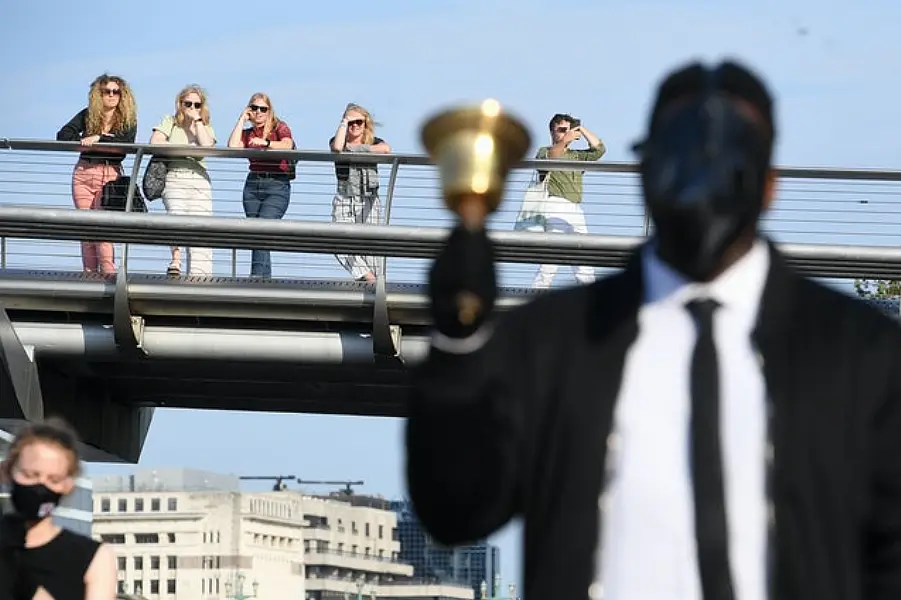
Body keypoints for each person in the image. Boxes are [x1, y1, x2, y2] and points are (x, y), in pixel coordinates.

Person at [405, 60, 901, 600]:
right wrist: (458, 344)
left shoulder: (861, 353)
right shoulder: (550, 341)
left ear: (768, 184)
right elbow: (455, 508)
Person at [0, 418, 116, 600]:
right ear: (7, 471)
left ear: (67, 485)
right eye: (30, 475)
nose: (40, 486)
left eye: (53, 480)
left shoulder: (92, 558)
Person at [56, 74, 138, 276]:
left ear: (122, 95)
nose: (111, 95)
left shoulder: (127, 119)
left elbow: (125, 144)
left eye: (115, 92)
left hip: (109, 175)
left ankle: (108, 275)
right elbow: (64, 134)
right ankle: (89, 276)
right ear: (98, 94)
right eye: (106, 91)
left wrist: (99, 138)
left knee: (102, 229)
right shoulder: (87, 115)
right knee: (86, 230)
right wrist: (84, 139)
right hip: (83, 173)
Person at [526, 113, 605, 289]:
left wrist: (581, 128)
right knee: (552, 256)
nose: (565, 133)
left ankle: (590, 296)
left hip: (576, 208)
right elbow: (548, 159)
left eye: (567, 130)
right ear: (552, 132)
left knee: (582, 255)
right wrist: (564, 140)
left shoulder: (576, 156)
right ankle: (538, 291)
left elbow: (599, 149)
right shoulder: (545, 150)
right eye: (561, 130)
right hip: (554, 205)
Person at [149, 85, 217, 278]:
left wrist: (197, 122)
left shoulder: (204, 125)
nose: (192, 107)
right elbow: (155, 142)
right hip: (175, 176)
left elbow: (206, 146)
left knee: (201, 228)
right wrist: (186, 148)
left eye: (197, 104)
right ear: (180, 104)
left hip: (199, 179)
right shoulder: (169, 122)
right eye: (188, 103)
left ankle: (201, 277)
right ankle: (176, 260)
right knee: (176, 219)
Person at [227, 93, 295, 279]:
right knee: (256, 235)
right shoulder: (248, 133)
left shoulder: (279, 127)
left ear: (269, 111)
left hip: (277, 184)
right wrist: (242, 118)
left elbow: (287, 144)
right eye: (254, 108)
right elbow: (232, 146)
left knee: (262, 231)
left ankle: (256, 279)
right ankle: (264, 281)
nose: (258, 112)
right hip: (253, 185)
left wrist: (266, 143)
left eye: (263, 109)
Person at [328, 103, 391, 282]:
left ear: (365, 124)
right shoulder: (337, 138)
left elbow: (386, 149)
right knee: (337, 241)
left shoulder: (372, 141)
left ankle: (376, 288)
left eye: (358, 122)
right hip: (345, 196)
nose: (354, 126)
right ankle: (371, 280)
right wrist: (343, 123)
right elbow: (337, 147)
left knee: (370, 245)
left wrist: (356, 149)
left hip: (368, 197)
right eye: (350, 122)